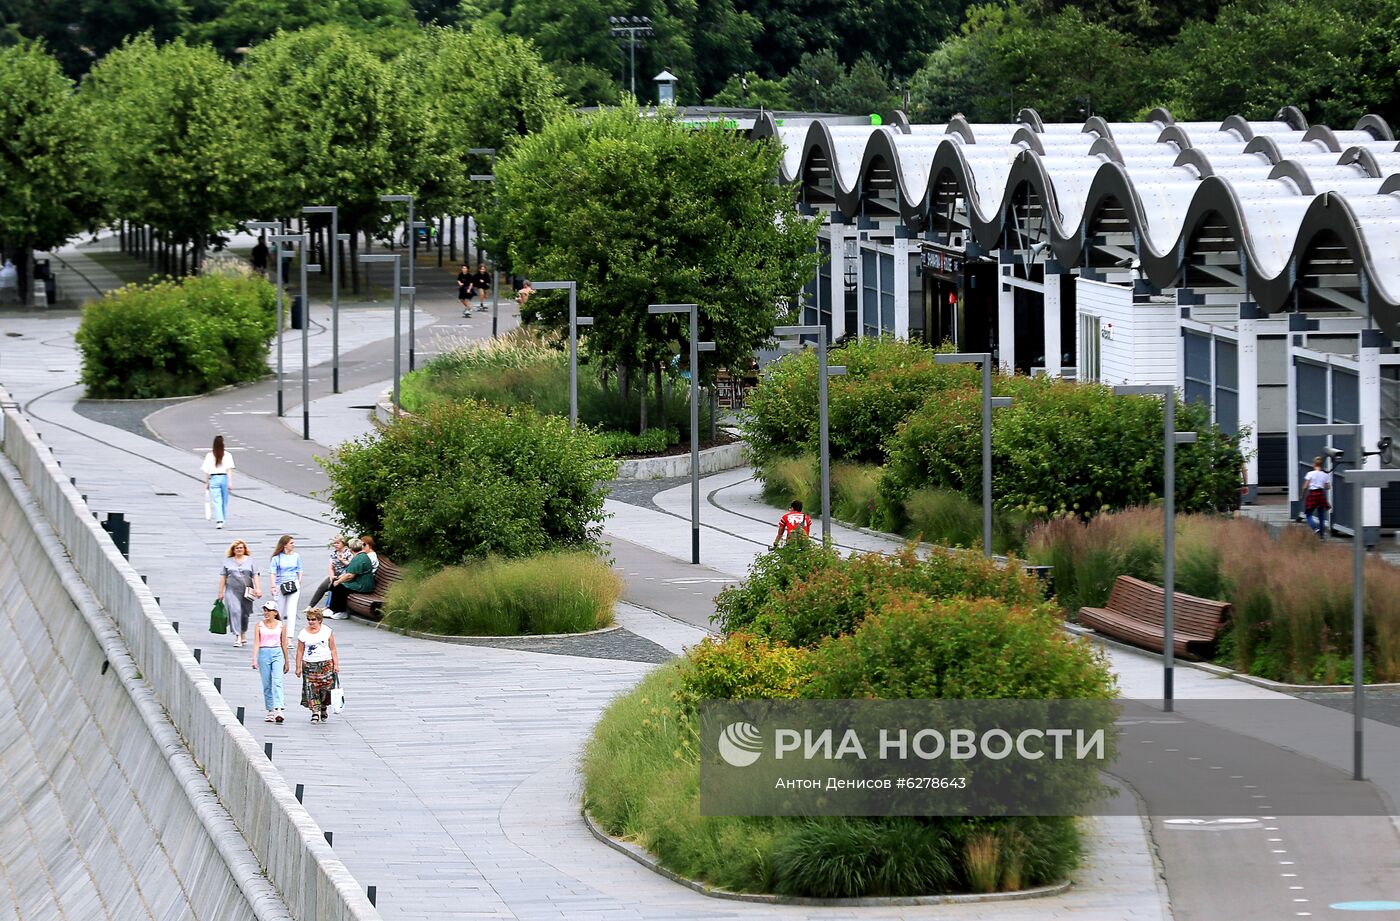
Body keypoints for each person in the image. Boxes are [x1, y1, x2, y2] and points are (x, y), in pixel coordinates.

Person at [295, 607, 339, 724]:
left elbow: (333, 649)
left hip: (325, 664)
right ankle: (315, 712)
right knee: (311, 689)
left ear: (319, 620)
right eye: (308, 619)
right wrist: (298, 667)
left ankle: (323, 706)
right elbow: (300, 650)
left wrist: (336, 664)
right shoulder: (303, 633)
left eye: (313, 619)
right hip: (309, 664)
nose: (311, 622)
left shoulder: (327, 631)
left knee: (326, 689)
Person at [216, 539, 261, 647]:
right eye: (237, 548)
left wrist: (258, 588)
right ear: (233, 550)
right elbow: (223, 576)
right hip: (231, 589)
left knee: (245, 614)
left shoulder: (250, 561)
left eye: (241, 548)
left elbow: (255, 575)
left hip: (246, 590)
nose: (239, 550)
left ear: (244, 549)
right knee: (235, 611)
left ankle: (243, 632)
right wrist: (220, 592)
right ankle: (237, 636)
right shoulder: (228, 561)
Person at [250, 600, 289, 723]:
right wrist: (254, 658)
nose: (266, 613)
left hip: (277, 652)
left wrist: (287, 661)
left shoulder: (281, 626)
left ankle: (279, 708)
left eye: (269, 611)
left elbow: (283, 643)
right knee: (267, 683)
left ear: (275, 612)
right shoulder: (259, 625)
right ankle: (270, 710)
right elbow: (257, 642)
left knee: (278, 680)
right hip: (264, 652)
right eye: (265, 610)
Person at [327, 537, 375, 616]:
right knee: (334, 584)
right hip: (361, 582)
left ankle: (341, 612)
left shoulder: (359, 558)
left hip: (363, 585)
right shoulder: (361, 556)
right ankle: (332, 609)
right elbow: (350, 572)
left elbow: (350, 575)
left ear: (351, 549)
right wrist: (338, 579)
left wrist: (339, 581)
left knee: (340, 587)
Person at [310, 534, 354, 615]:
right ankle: (311, 606)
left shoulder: (348, 553)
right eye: (334, 543)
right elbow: (331, 567)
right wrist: (331, 576)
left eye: (337, 543)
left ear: (343, 543)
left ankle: (329, 607)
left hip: (344, 575)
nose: (335, 545)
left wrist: (342, 561)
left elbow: (351, 566)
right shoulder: (334, 553)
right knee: (322, 586)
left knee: (332, 586)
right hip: (335, 574)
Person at [269, 534, 303, 638]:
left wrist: (299, 580)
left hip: (293, 584)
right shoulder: (276, 558)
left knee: (292, 611)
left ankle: (289, 637)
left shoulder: (296, 556)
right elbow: (272, 573)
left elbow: (299, 569)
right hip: (281, 585)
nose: (293, 545)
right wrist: (273, 586)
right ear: (284, 545)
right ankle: (278, 633)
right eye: (291, 543)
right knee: (280, 610)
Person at [202, 435, 235, 529]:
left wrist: (207, 482)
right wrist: (230, 482)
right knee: (224, 501)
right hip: (224, 478)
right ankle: (222, 519)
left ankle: (219, 520)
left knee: (216, 501)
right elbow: (229, 470)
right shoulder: (227, 455)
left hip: (214, 478)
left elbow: (207, 471)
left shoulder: (209, 455)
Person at [1302, 455, 1332, 538]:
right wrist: (1323, 485)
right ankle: (1322, 536)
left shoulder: (1310, 474)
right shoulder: (1325, 475)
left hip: (1312, 494)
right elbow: (1328, 487)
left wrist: (1302, 496)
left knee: (1308, 514)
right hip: (1321, 494)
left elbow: (1305, 486)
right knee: (1321, 516)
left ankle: (1315, 529)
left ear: (1314, 464)